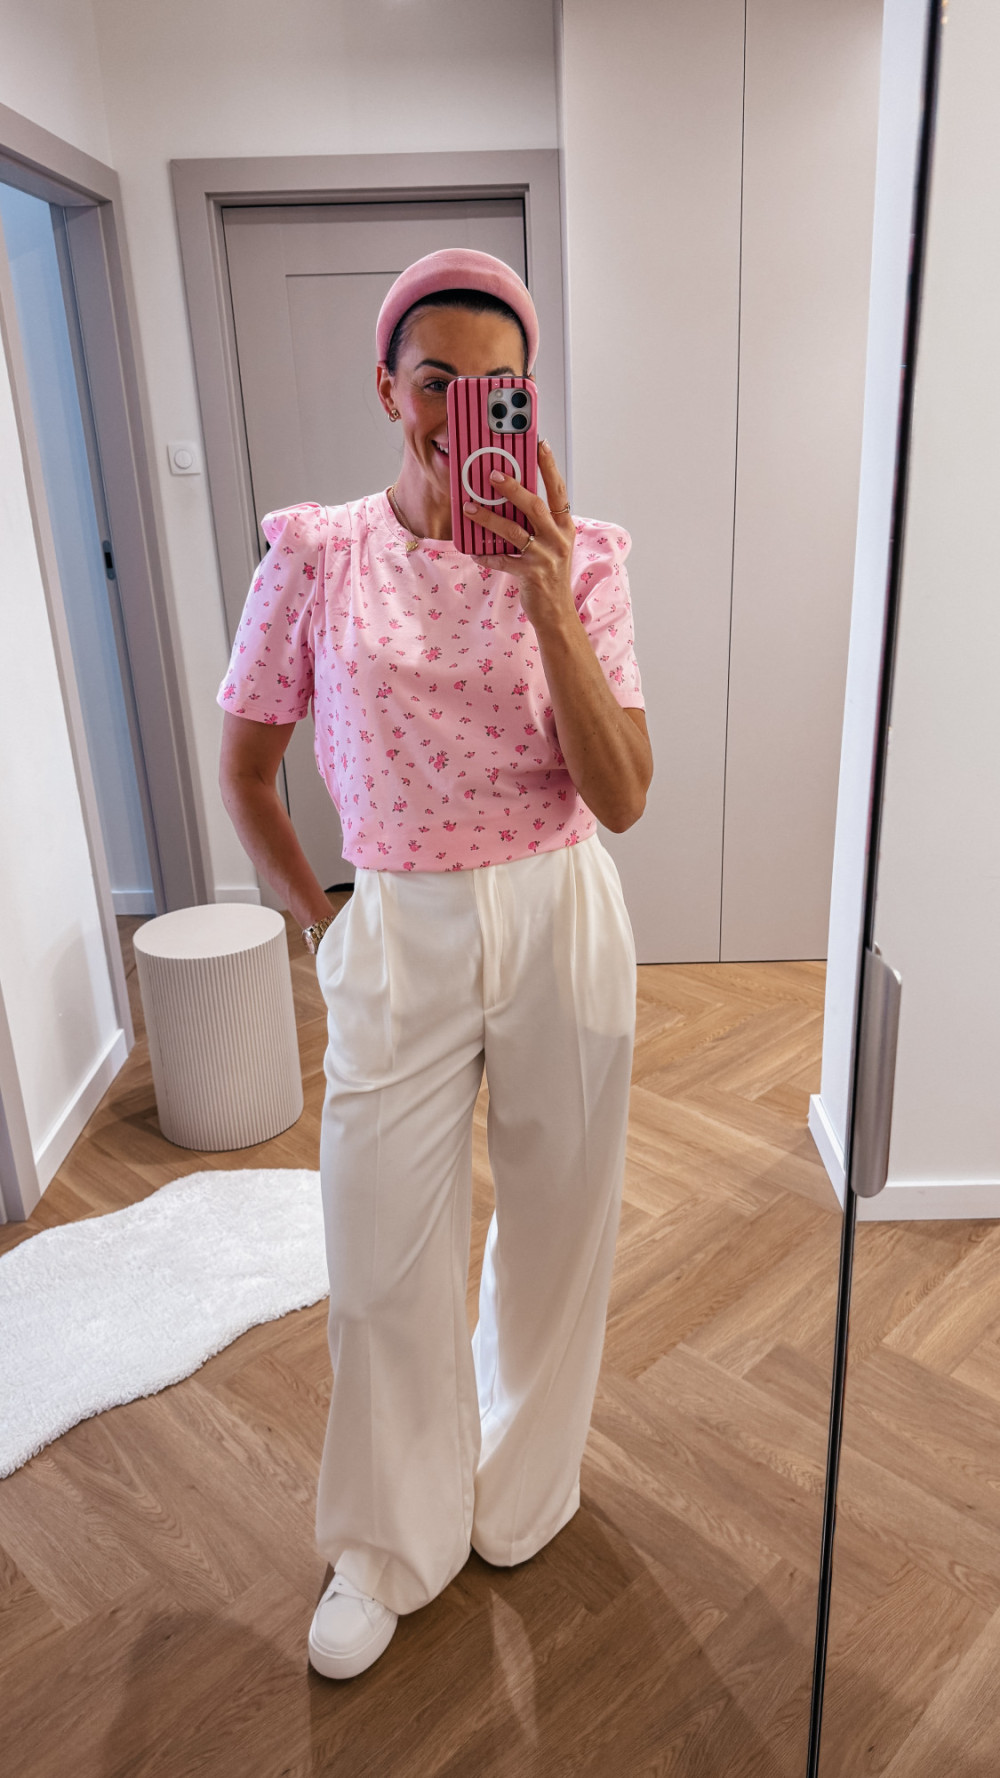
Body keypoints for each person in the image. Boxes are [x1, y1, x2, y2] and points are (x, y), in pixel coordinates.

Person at [217, 248, 652, 1680]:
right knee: (378, 1255)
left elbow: (622, 792)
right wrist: (325, 926)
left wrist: (544, 590)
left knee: (558, 1229)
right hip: (396, 922)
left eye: (498, 388)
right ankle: (387, 1543)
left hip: (558, 910)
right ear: (386, 390)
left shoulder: (586, 560)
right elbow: (248, 772)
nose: (462, 411)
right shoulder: (317, 554)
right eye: (435, 381)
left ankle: (521, 1488)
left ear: (529, 401)